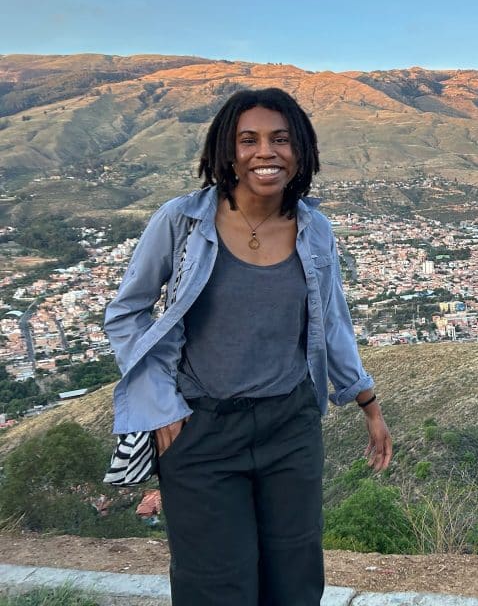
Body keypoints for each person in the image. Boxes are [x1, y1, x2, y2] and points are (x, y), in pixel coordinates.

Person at [105, 87, 392, 605]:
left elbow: (332, 323)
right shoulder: (183, 222)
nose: (266, 152)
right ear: (228, 150)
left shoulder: (314, 230)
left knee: (295, 579)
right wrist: (159, 405)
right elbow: (127, 312)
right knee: (216, 584)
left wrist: (367, 403)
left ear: (300, 149)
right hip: (202, 428)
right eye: (249, 140)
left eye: (280, 139)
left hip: (290, 427)